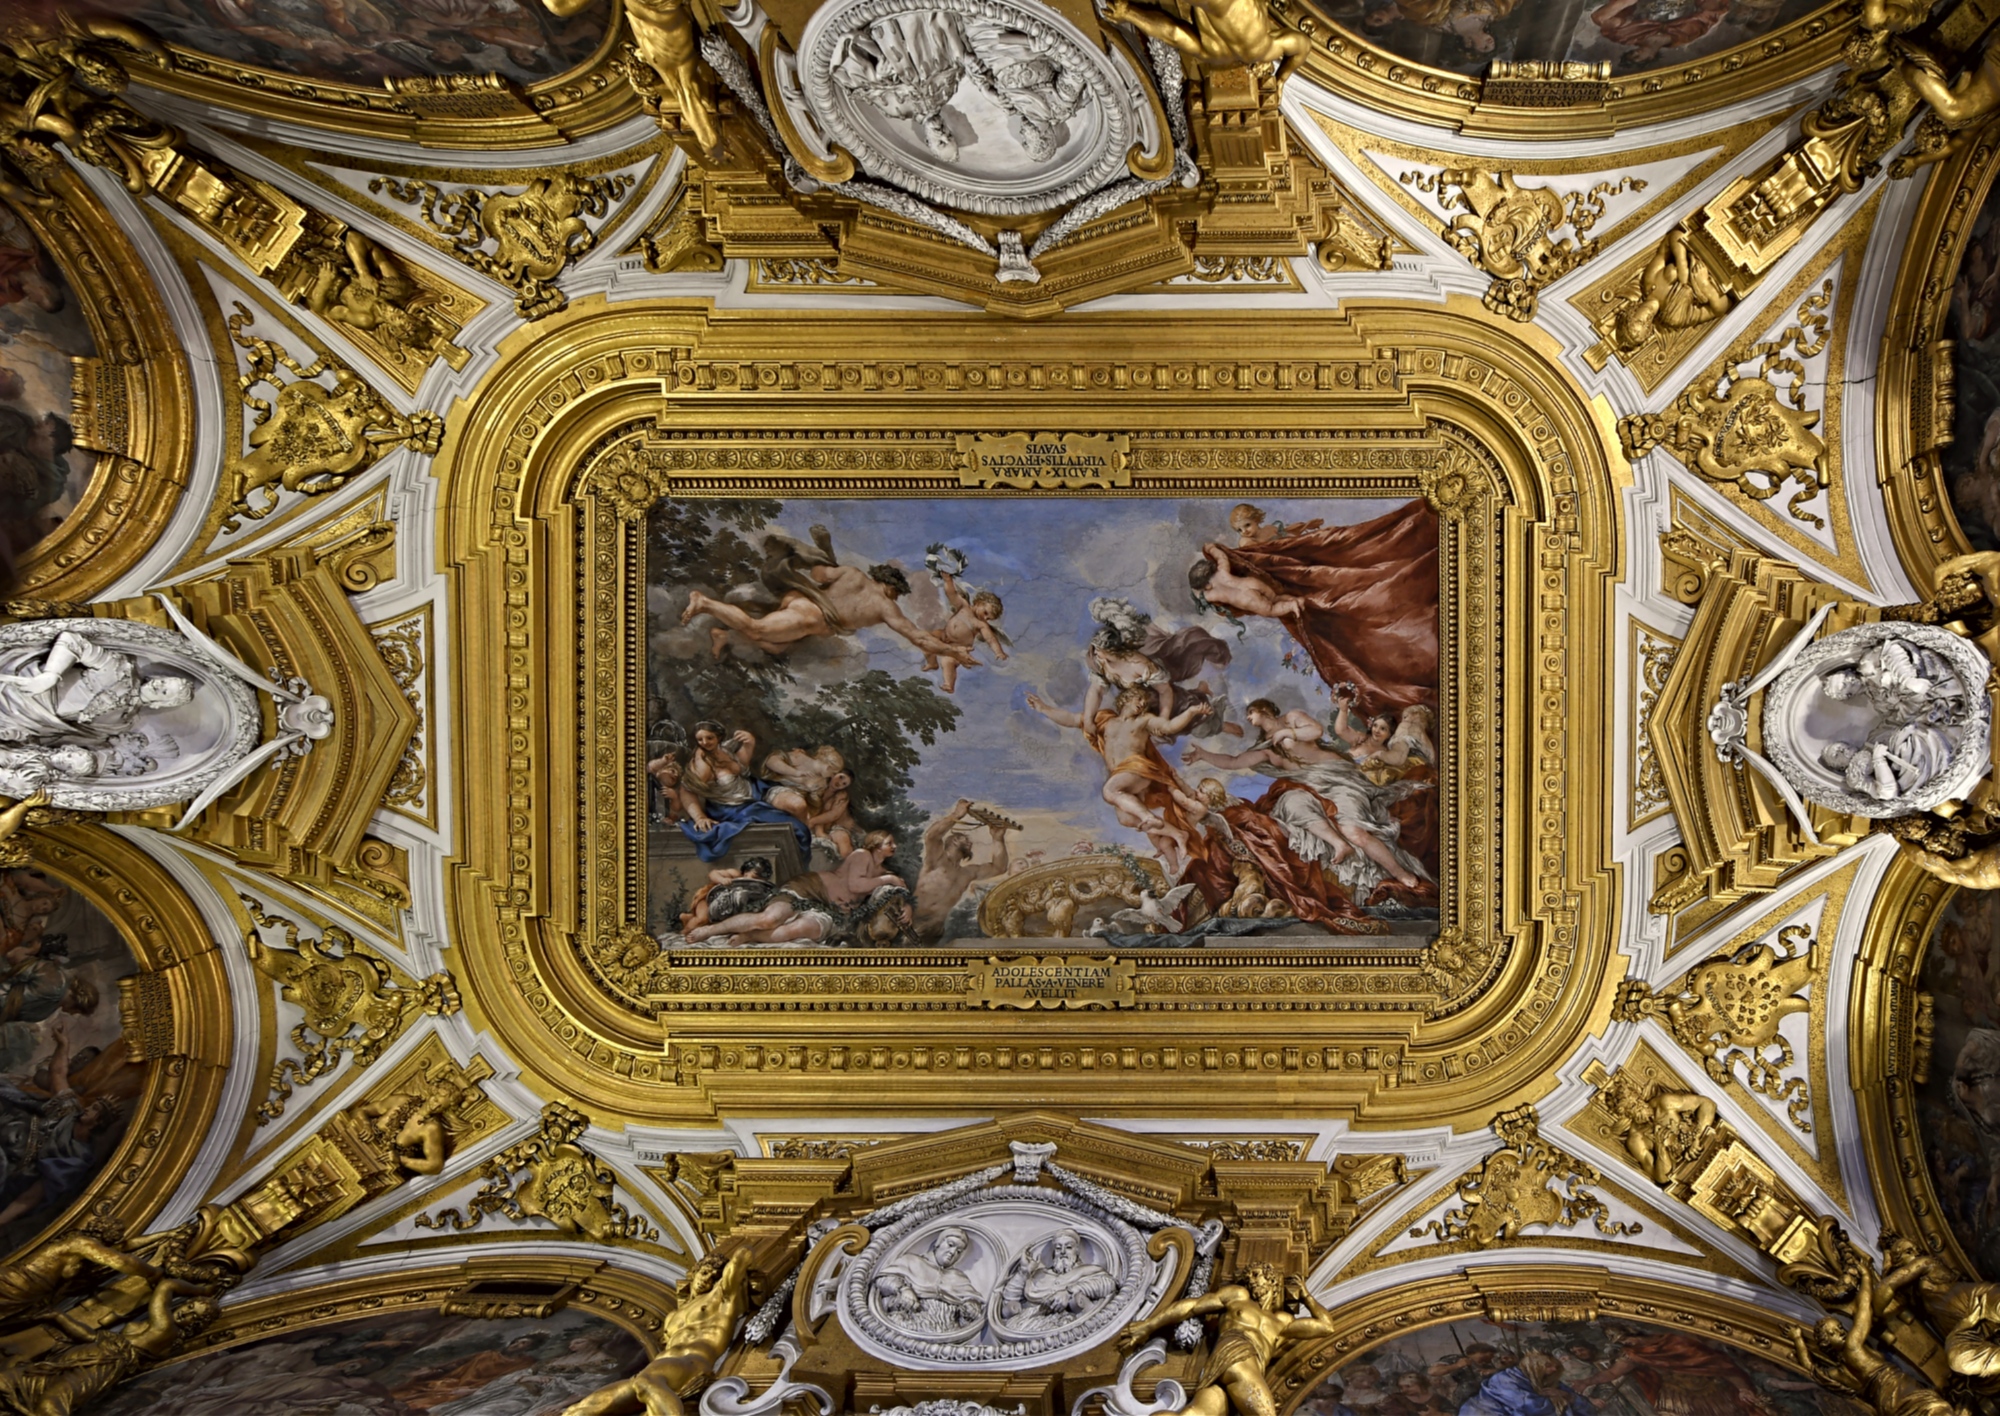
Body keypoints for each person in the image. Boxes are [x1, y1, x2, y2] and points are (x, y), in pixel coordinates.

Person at [681, 524, 969, 665]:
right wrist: (953, 650)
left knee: (777, 647)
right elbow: (917, 637)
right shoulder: (885, 607)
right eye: (897, 593)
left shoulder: (852, 573)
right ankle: (704, 602)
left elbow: (819, 574)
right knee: (757, 630)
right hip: (810, 616)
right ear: (891, 587)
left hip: (803, 600)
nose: (896, 598)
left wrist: (827, 554)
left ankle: (725, 636)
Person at [1028, 686, 1211, 875]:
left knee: (1110, 791)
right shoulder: (1105, 720)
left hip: (1137, 768)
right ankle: (1177, 834)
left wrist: (1191, 712)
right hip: (1120, 775)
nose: (1142, 705)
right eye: (1139, 700)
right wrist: (1044, 709)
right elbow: (1073, 719)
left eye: (1145, 703)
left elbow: (1168, 727)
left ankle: (1147, 817)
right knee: (1125, 818)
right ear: (1125, 699)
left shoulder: (1143, 721)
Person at [1118, 1265, 1339, 1416]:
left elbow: (1325, 1326)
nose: (1250, 1279)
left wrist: (1306, 1295)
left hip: (1239, 1370)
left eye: (1256, 1274)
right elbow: (1192, 1306)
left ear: (1271, 1279)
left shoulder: (1282, 1321)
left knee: (1197, 1413)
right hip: (1236, 1355)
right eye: (1250, 1275)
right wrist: (1148, 1326)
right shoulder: (1239, 1296)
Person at [561, 1248, 754, 1416]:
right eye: (704, 1273)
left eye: (713, 1276)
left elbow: (741, 1258)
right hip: (658, 1367)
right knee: (580, 1409)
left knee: (646, 1382)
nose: (707, 1279)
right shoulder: (673, 1316)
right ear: (694, 1274)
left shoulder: (719, 1300)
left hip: (692, 1362)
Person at [0, 631, 194, 746]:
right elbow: (71, 640)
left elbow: (67, 738)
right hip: (22, 686)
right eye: (164, 681)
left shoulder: (121, 724)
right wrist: (51, 674)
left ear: (160, 704)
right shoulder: (121, 669)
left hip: (26, 722)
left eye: (165, 691)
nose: (158, 684)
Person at [675, 723, 811, 862]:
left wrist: (749, 743)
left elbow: (742, 766)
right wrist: (699, 817)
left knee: (798, 805)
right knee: (798, 828)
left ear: (718, 737)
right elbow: (686, 790)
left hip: (757, 790)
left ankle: (805, 846)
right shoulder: (701, 764)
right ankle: (798, 857)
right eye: (700, 740)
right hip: (737, 807)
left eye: (709, 738)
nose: (705, 743)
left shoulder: (726, 749)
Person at [1612, 229, 1734, 354]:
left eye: (1640, 321)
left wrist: (1682, 263)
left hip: (1706, 241)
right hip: (1727, 270)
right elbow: (1721, 309)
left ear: (1631, 312)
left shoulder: (1649, 281)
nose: (1647, 321)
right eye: (1647, 328)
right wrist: (1705, 286)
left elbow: (1674, 237)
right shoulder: (1674, 318)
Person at [914, 800, 1009, 939]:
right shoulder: (937, 860)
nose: (970, 842)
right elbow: (932, 836)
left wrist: (998, 839)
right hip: (913, 920)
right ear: (953, 841)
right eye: (965, 838)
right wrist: (956, 815)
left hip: (936, 928)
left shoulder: (967, 873)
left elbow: (999, 868)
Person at [997, 1229, 1116, 1330]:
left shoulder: (1087, 1270)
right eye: (1058, 1248)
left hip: (1063, 1324)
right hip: (1025, 1324)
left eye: (1068, 1247)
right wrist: (1023, 1272)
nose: (1063, 1252)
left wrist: (1069, 1292)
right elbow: (1009, 1299)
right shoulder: (1039, 1274)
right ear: (1054, 1253)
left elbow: (1108, 1283)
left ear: (1077, 1251)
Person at [875, 1227, 983, 1333]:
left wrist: (971, 1308)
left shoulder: (959, 1278)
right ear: (938, 1243)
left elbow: (971, 1308)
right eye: (950, 1245)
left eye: (959, 1251)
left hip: (948, 1331)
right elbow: (883, 1279)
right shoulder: (911, 1261)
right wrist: (903, 1289)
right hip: (910, 1324)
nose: (953, 1252)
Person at [920, 570, 1008, 695]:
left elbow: (991, 639)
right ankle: (932, 663)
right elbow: (951, 594)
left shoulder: (981, 624)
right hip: (944, 634)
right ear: (979, 602)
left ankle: (949, 684)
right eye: (986, 613)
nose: (986, 618)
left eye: (989, 619)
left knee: (947, 661)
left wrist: (999, 652)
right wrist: (948, 580)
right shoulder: (963, 606)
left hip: (958, 647)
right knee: (926, 639)